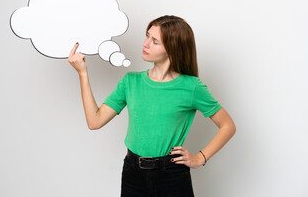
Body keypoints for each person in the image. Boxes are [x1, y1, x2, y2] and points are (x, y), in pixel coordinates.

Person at [68, 15, 236, 197]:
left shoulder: (191, 87)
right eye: (147, 36)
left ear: (172, 48)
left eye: (154, 41)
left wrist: (199, 158)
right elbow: (95, 121)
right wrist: (83, 73)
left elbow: (228, 126)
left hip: (172, 176)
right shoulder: (130, 82)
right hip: (133, 174)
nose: (145, 44)